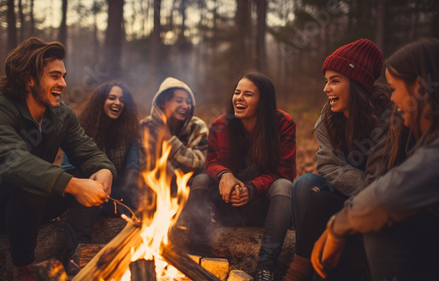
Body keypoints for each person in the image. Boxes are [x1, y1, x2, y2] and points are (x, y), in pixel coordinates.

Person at [0, 37, 116, 281]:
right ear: (29, 79)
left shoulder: (61, 114)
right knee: (31, 181)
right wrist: (72, 185)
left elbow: (87, 150)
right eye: (55, 76)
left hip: (31, 206)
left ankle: (78, 253)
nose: (63, 83)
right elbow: (14, 164)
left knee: (85, 177)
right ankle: (23, 268)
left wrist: (104, 169)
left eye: (63, 76)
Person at [311, 37, 439, 281]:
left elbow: (387, 194)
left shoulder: (398, 127)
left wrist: (338, 227)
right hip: (371, 200)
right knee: (309, 185)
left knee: (379, 229)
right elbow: (328, 164)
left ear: (419, 90)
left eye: (393, 89)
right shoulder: (425, 140)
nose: (391, 99)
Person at [283, 39, 392, 281]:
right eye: (326, 81)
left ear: (357, 84)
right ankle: (302, 266)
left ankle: (311, 272)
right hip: (349, 193)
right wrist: (351, 179)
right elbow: (326, 165)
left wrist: (349, 179)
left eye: (335, 81)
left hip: (379, 203)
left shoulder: (386, 119)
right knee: (305, 184)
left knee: (320, 198)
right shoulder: (328, 118)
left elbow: (378, 185)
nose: (326, 89)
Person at [186, 72, 296, 281]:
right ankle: (197, 255)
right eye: (237, 93)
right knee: (200, 180)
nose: (239, 98)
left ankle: (266, 268)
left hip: (262, 208)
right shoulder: (220, 125)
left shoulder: (284, 124)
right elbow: (211, 163)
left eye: (248, 94)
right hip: (227, 206)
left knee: (284, 186)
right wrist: (224, 174)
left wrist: (251, 188)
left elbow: (285, 172)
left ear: (263, 101)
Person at [62, 81, 140, 270]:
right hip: (85, 189)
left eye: (122, 99)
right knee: (87, 183)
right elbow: (67, 167)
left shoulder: (130, 132)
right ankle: (77, 253)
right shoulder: (82, 129)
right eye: (111, 97)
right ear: (100, 101)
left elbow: (133, 169)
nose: (117, 103)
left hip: (117, 193)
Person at [138, 77, 209, 188]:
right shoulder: (146, 127)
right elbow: (145, 167)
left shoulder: (197, 126)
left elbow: (198, 163)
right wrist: (179, 170)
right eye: (179, 101)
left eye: (188, 102)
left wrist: (169, 139)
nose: (185, 106)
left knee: (203, 180)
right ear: (163, 103)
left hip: (189, 191)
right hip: (156, 190)